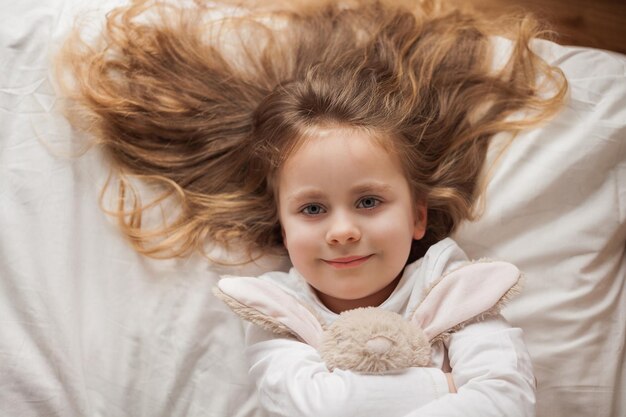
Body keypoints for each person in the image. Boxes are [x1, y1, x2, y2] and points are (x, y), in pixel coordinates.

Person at [57, 0, 567, 415]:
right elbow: (317, 406)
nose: (342, 230)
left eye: (368, 201)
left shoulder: (454, 291)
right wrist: (445, 388)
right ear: (281, 228)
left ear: (416, 216)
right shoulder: (279, 312)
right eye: (312, 210)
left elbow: (505, 400)